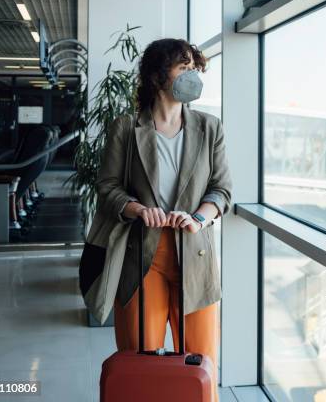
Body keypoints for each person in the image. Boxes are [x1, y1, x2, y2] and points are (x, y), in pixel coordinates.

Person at [95, 38, 232, 402]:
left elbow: (222, 190)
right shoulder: (126, 127)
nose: (193, 75)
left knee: (200, 366)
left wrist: (198, 219)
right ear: (158, 76)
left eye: (195, 68)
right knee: (140, 363)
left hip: (196, 259)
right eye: (183, 67)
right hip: (142, 258)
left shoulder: (209, 127)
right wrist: (139, 209)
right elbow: (107, 188)